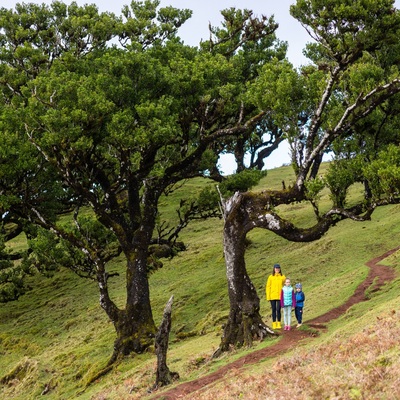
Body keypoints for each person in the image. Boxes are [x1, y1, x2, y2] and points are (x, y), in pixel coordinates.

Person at [266, 263, 286, 329]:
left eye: (278, 268)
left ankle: (279, 323)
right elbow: (268, 287)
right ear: (274, 269)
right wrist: (268, 297)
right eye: (276, 268)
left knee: (278, 309)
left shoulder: (282, 277)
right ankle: (274, 323)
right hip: (272, 296)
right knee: (273, 310)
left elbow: (285, 284)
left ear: (280, 269)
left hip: (280, 296)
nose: (277, 269)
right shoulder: (271, 277)